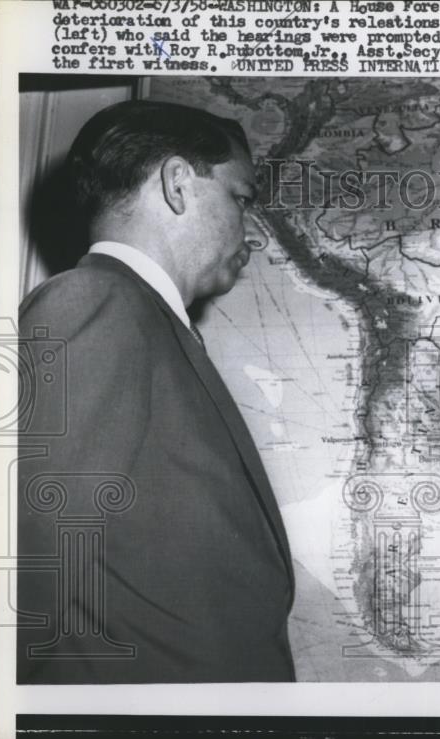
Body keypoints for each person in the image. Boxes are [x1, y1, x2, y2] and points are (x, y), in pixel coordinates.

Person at [17, 100, 295, 683]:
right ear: (177, 184)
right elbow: (32, 568)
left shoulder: (150, 322)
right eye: (240, 199)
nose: (250, 228)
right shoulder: (96, 302)